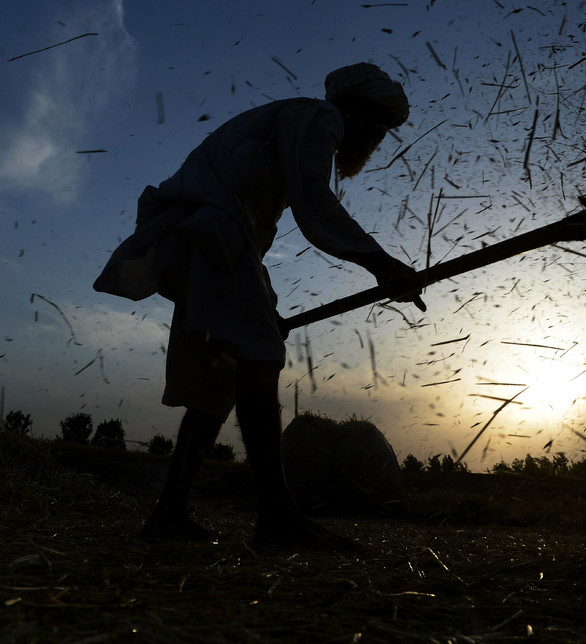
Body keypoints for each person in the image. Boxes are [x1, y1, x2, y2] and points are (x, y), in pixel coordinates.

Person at [94, 63, 425, 549]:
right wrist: (380, 262)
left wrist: (261, 304)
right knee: (260, 355)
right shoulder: (319, 117)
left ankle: (168, 515)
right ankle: (277, 520)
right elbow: (314, 203)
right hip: (210, 234)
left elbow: (260, 225)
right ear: (352, 107)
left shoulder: (285, 126)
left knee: (220, 377)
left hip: (205, 241)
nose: (376, 136)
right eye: (376, 121)